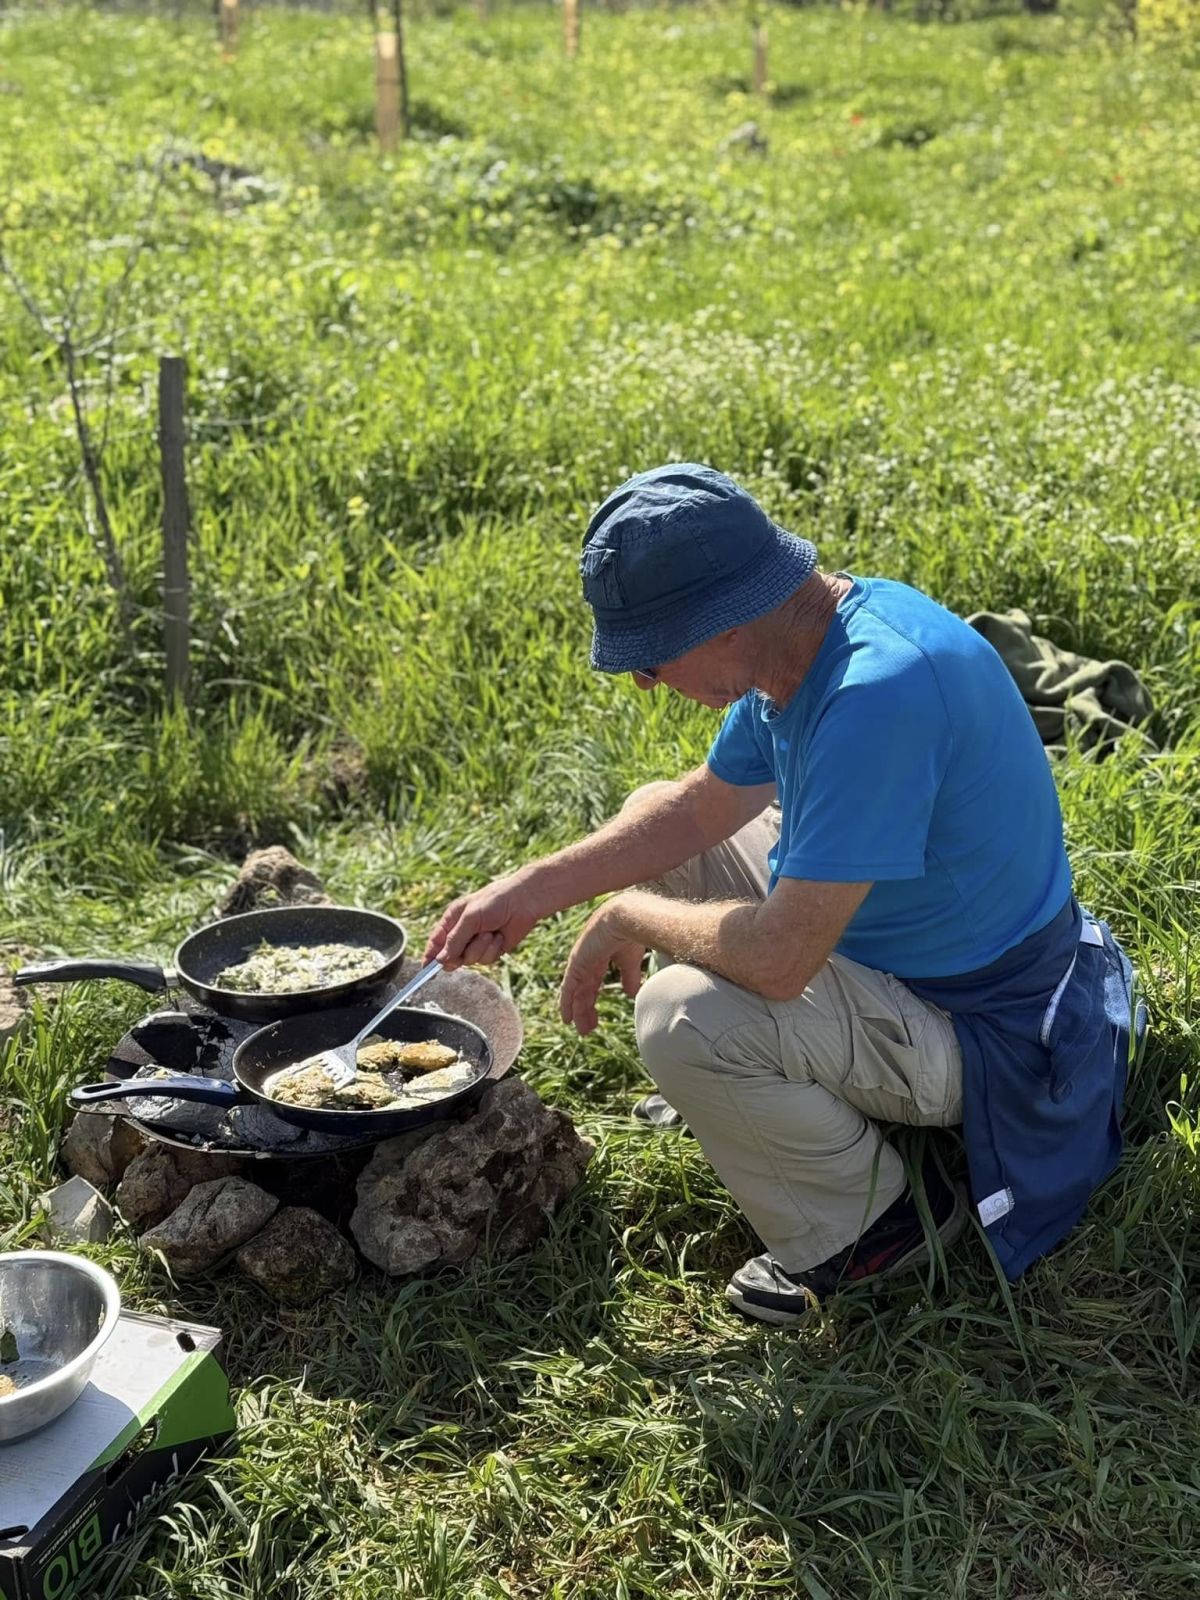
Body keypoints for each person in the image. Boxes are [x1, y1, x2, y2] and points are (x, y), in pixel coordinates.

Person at [424, 463, 1143, 1325]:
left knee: (683, 1015)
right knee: (649, 813)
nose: (645, 683)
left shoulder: (876, 696)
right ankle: (759, 1105)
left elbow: (776, 960)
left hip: (990, 1029)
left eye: (649, 658)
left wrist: (624, 913)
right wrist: (532, 886)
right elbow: (702, 807)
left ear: (721, 623)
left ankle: (875, 1234)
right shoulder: (808, 641)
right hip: (894, 943)